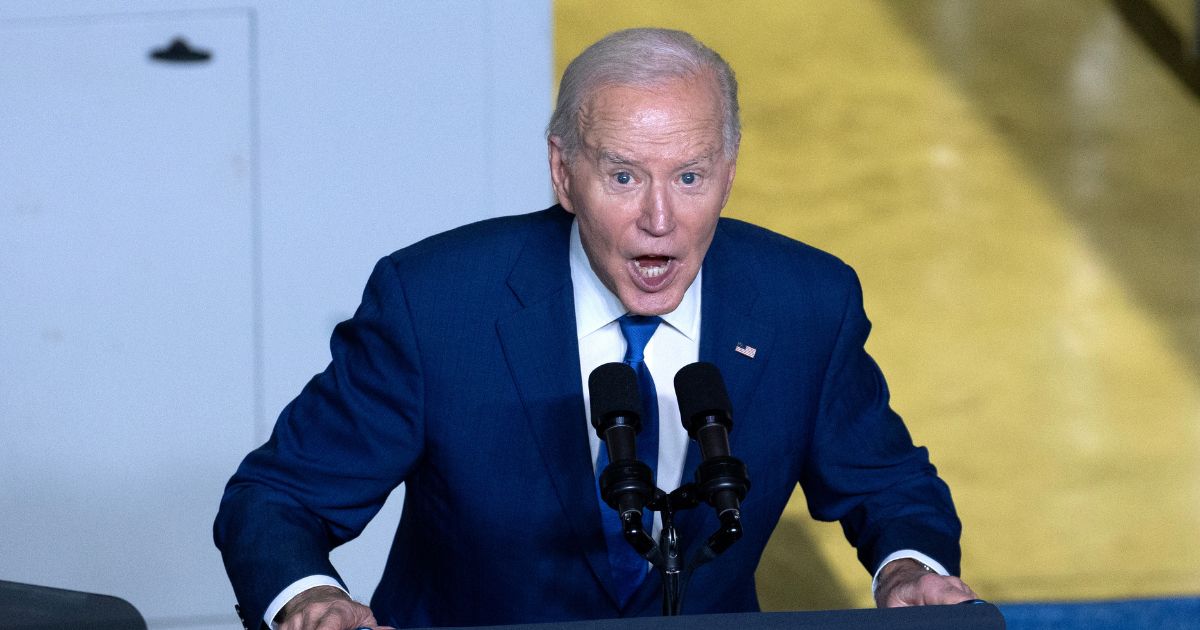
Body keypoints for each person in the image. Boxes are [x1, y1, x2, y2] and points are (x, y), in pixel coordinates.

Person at [214, 27, 978, 630]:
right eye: (623, 176)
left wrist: (906, 569)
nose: (659, 218)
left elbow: (890, 486)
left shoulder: (806, 301)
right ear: (562, 170)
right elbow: (278, 497)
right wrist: (310, 599)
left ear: (731, 168)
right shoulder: (436, 305)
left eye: (689, 175)